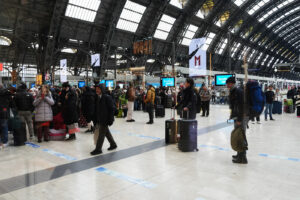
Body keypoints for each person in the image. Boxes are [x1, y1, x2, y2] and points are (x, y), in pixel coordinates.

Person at [226, 77, 248, 164]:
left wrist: (239, 119)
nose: (226, 85)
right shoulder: (233, 91)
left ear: (231, 83)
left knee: (241, 136)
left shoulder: (238, 91)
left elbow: (241, 106)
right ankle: (239, 154)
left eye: (227, 83)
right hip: (237, 116)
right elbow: (233, 106)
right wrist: (231, 117)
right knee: (238, 135)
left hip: (241, 117)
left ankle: (243, 158)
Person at [91, 84, 117, 155]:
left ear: (102, 89)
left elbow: (112, 109)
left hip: (105, 119)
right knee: (106, 133)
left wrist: (111, 119)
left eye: (98, 89)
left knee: (101, 134)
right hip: (101, 118)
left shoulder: (106, 97)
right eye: (96, 89)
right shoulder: (98, 97)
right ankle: (113, 144)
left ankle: (98, 149)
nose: (97, 90)